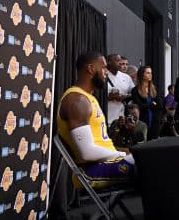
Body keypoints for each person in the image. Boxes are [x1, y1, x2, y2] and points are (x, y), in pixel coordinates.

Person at [57, 51, 134, 185]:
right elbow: (87, 153)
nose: (106, 73)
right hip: (90, 170)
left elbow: (102, 142)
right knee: (154, 165)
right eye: (103, 68)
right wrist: (123, 156)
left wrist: (129, 152)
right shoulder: (77, 100)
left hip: (106, 162)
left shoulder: (88, 98)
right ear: (90, 68)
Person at [130, 64, 164, 139]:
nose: (150, 75)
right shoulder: (135, 90)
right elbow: (139, 106)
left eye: (151, 73)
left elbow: (160, 105)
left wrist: (148, 105)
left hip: (155, 121)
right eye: (148, 73)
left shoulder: (155, 89)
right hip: (142, 121)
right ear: (142, 75)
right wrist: (152, 104)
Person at [105, 53, 133, 122]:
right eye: (117, 60)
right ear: (109, 62)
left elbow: (133, 92)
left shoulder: (126, 77)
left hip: (121, 117)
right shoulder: (102, 75)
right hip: (106, 116)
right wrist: (110, 97)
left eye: (120, 60)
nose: (120, 63)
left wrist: (125, 97)